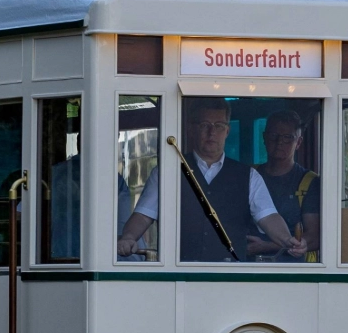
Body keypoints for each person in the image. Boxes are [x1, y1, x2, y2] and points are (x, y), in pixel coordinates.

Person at [118, 98, 307, 262]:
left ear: (227, 130)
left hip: (230, 277)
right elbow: (143, 215)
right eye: (204, 125)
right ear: (192, 129)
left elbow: (268, 216)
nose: (211, 132)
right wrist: (128, 237)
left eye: (218, 126)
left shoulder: (248, 175)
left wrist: (287, 240)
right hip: (178, 275)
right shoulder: (167, 172)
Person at [252, 111, 320, 262]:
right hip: (247, 266)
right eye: (274, 135)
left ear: (299, 142)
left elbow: (314, 237)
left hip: (292, 268)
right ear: (264, 137)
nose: (279, 142)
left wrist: (266, 246)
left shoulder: (310, 182)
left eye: (288, 137)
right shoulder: (250, 176)